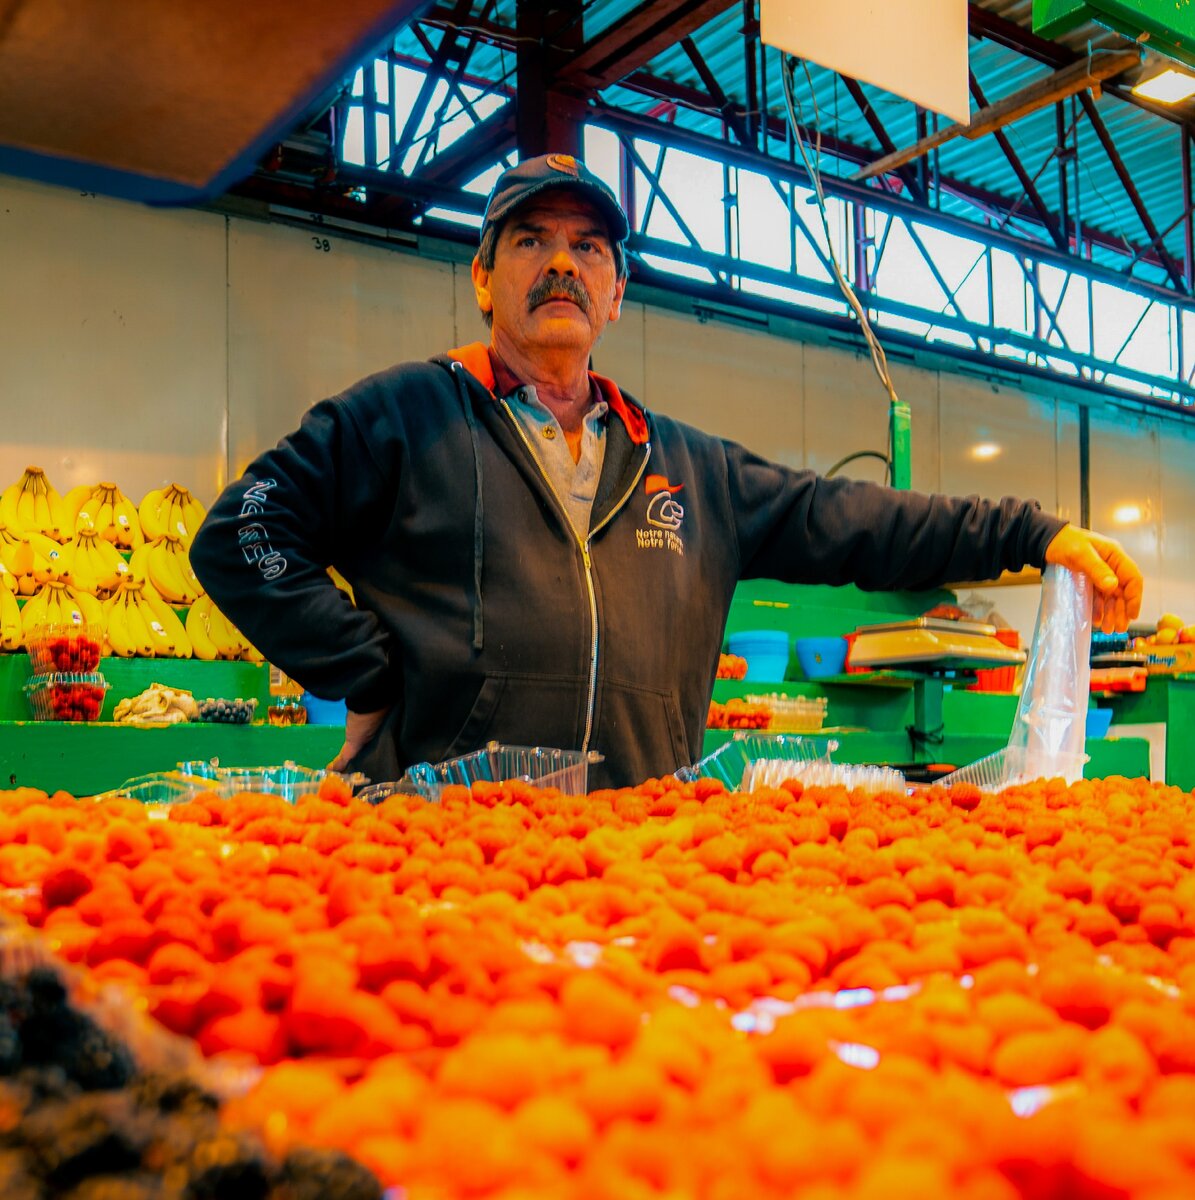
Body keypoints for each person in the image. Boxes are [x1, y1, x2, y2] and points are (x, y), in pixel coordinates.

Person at [190, 153, 1144, 789]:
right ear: (482, 278)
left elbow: (858, 520)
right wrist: (363, 671)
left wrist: (1032, 532)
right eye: (530, 242)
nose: (560, 264)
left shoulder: (685, 467)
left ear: (615, 294)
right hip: (442, 846)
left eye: (587, 249)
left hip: (643, 855)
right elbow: (242, 536)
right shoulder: (401, 416)